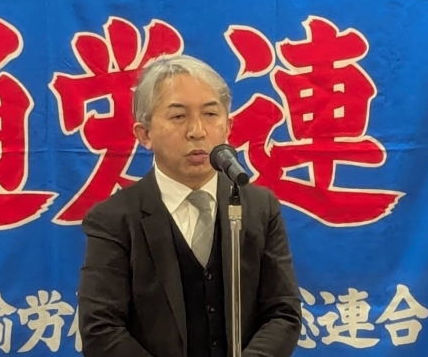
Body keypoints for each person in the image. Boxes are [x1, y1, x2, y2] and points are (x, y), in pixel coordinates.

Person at [77, 54, 301, 357]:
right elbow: (100, 329)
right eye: (178, 116)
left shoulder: (259, 207)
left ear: (228, 126)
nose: (197, 130)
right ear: (144, 134)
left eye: (210, 114)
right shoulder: (114, 219)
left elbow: (283, 312)